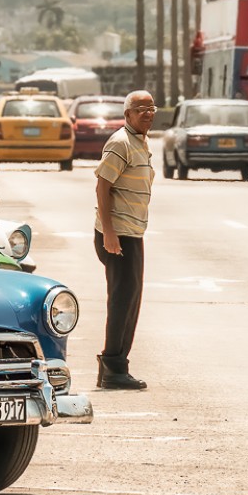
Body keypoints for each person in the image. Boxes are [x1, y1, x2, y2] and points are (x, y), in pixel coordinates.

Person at [93, 89, 156, 390]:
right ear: (127, 114)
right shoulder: (120, 143)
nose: (147, 113)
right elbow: (102, 188)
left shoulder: (140, 143)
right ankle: (113, 368)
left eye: (151, 108)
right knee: (121, 301)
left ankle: (115, 367)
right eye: (140, 108)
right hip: (118, 234)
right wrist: (108, 232)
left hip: (132, 233)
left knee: (131, 300)